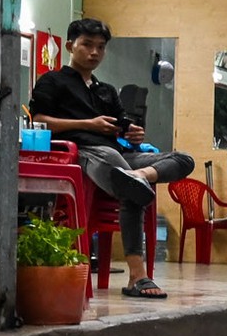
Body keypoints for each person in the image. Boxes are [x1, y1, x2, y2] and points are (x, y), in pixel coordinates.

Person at [28, 18, 195, 298]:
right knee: (118, 169)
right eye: (87, 45)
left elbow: (121, 126)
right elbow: (40, 120)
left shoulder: (106, 90)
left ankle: (139, 176)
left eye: (101, 47)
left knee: (183, 159)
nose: (94, 52)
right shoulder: (53, 81)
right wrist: (88, 125)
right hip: (83, 153)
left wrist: (133, 134)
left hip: (119, 155)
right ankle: (137, 277)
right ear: (71, 46)